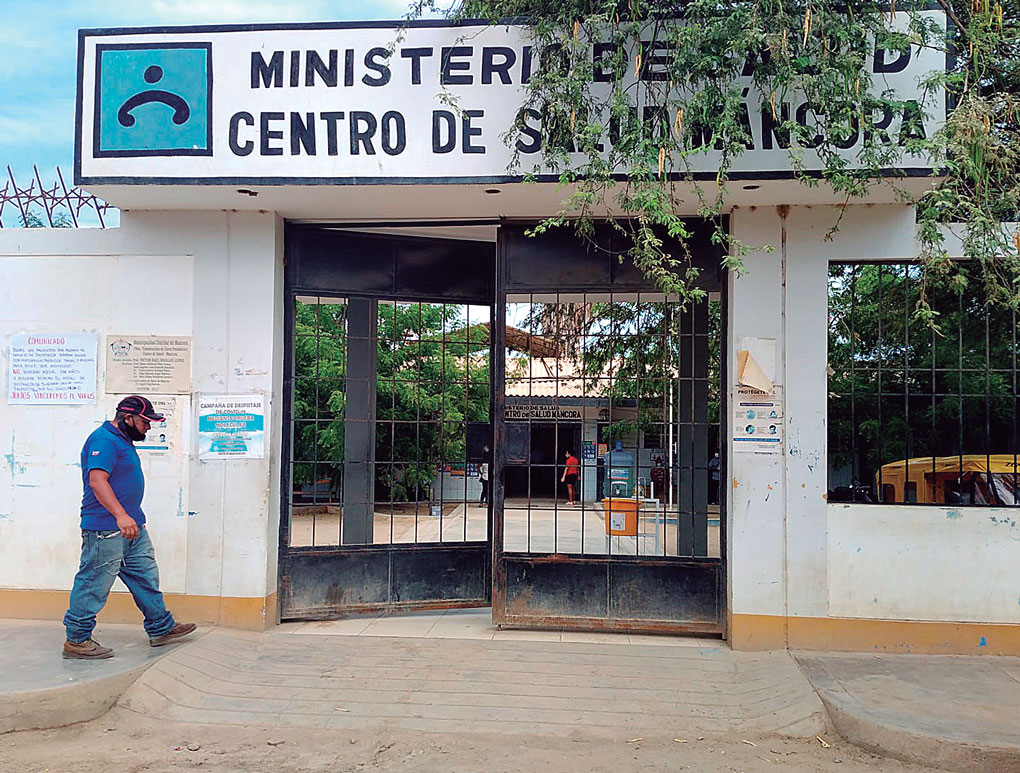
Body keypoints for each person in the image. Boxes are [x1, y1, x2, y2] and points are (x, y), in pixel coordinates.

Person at [62, 395, 196, 659]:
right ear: (128, 418)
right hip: (106, 528)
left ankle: (161, 627)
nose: (148, 427)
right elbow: (97, 481)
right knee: (93, 582)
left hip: (132, 526)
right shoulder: (104, 440)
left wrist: (129, 518)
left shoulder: (122, 439)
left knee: (145, 577)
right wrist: (121, 516)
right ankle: (76, 640)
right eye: (145, 422)